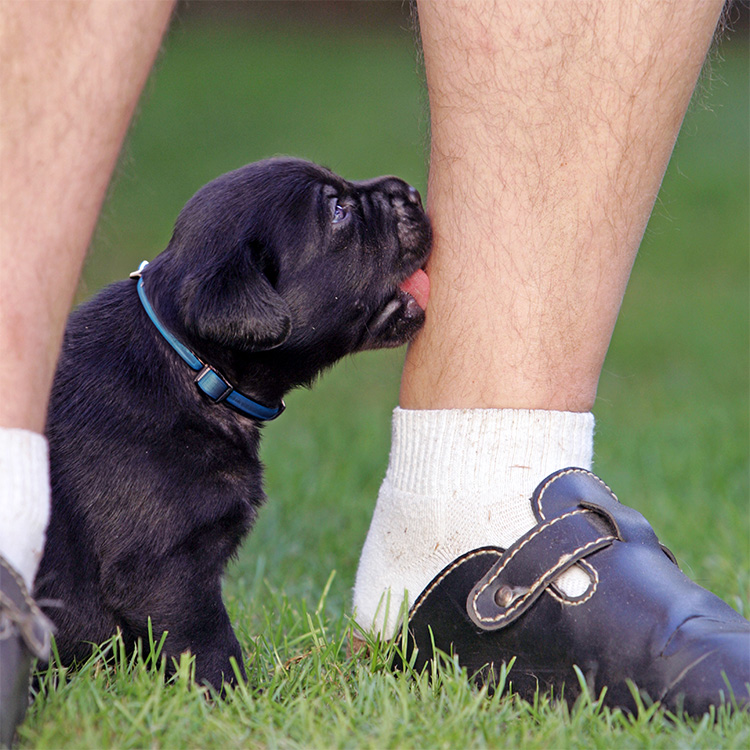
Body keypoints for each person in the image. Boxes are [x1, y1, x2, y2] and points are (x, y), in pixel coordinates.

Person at [0, 0, 746, 743]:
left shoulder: (154, 372)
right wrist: (218, 675)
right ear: (247, 311)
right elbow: (152, 579)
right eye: (337, 213)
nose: (391, 200)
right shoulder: (145, 445)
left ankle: (483, 502)